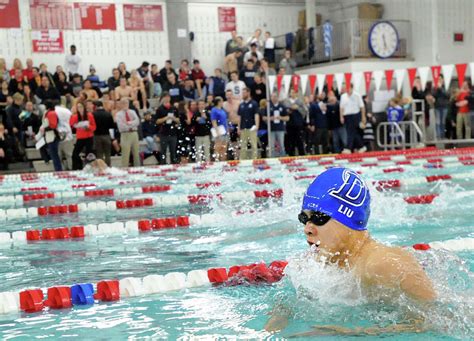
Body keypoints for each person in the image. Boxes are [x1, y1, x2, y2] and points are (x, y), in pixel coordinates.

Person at [265, 167, 436, 334]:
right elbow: (290, 300)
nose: (307, 229)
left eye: (318, 217)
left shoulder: (383, 264)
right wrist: (277, 321)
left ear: (347, 219)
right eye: (304, 218)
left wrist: (356, 332)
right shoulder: (318, 262)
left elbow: (438, 319)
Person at [340, 85, 366, 153]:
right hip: (347, 115)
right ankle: (361, 146)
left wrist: (363, 117)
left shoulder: (357, 95)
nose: (347, 90)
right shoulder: (343, 96)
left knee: (350, 131)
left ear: (352, 88)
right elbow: (341, 107)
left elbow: (362, 107)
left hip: (355, 115)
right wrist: (341, 116)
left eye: (348, 88)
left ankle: (348, 148)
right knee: (353, 132)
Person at [155, 93, 180, 164]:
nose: (166, 98)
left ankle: (174, 166)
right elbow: (157, 121)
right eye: (165, 97)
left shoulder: (174, 108)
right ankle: (163, 166)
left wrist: (173, 118)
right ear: (162, 98)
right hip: (163, 133)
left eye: (168, 97)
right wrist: (165, 118)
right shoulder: (159, 109)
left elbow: (178, 120)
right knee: (163, 153)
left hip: (173, 133)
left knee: (173, 153)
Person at [70, 101, 96, 170]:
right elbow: (71, 124)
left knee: (89, 154)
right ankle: (77, 167)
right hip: (80, 137)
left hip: (88, 137)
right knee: (74, 154)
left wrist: (88, 127)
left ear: (84, 107)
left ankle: (90, 168)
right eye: (78, 107)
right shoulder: (75, 116)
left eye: (81, 107)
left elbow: (94, 127)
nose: (79, 108)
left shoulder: (89, 115)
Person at [115, 98, 140, 167]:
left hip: (134, 133)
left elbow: (137, 121)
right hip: (125, 134)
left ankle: (138, 169)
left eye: (126, 103)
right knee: (125, 154)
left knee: (136, 153)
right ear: (120, 104)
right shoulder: (118, 114)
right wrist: (132, 124)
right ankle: (124, 169)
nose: (125, 104)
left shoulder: (132, 112)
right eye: (123, 103)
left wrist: (128, 123)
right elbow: (121, 126)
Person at [263, 93, 288, 157]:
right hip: (271, 129)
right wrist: (270, 118)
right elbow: (263, 118)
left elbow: (287, 118)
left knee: (281, 145)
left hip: (280, 129)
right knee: (271, 145)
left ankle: (282, 157)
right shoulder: (268, 107)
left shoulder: (282, 106)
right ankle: (272, 158)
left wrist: (281, 118)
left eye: (275, 96)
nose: (274, 98)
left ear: (278, 97)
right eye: (272, 96)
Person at [237, 88, 259, 160]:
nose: (243, 95)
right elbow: (239, 117)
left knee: (254, 145)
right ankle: (242, 160)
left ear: (248, 93)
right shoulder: (241, 105)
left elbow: (256, 115)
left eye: (244, 93)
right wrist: (238, 128)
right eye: (242, 93)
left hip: (252, 127)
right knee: (243, 146)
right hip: (243, 128)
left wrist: (257, 126)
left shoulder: (254, 103)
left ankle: (254, 159)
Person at [40, 101, 62, 171]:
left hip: (52, 136)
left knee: (54, 155)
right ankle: (57, 169)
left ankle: (58, 170)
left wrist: (44, 129)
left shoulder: (51, 113)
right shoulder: (48, 113)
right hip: (49, 135)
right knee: (53, 154)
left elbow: (53, 125)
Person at [93, 101, 115, 166]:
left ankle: (101, 167)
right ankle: (108, 167)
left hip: (97, 135)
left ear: (96, 106)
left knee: (99, 153)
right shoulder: (108, 114)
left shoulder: (93, 114)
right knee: (107, 153)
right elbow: (112, 125)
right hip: (106, 135)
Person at [54, 103, 74, 170]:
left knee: (58, 156)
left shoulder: (53, 111)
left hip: (57, 136)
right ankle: (71, 169)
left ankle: (61, 170)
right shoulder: (67, 111)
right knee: (69, 155)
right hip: (68, 135)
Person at [210, 97, 229, 161]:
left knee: (224, 147)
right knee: (218, 147)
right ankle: (217, 160)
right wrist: (217, 131)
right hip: (219, 130)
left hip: (224, 130)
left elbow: (225, 121)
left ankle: (223, 160)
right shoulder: (214, 110)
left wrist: (227, 129)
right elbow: (214, 121)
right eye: (221, 101)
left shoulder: (222, 110)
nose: (222, 102)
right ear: (218, 102)